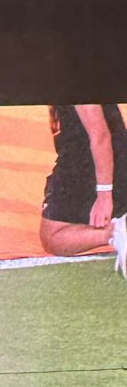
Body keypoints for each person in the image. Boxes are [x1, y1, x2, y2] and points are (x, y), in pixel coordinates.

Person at [39, 104, 127, 276]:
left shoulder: (75, 79)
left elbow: (100, 136)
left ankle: (116, 230)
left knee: (53, 237)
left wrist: (104, 195)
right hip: (102, 159)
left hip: (89, 163)